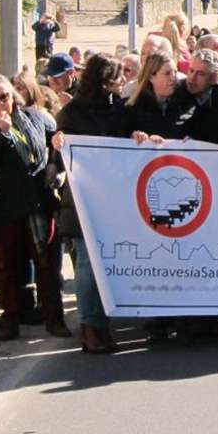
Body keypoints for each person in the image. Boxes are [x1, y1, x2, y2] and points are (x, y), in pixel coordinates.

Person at [0, 74, 70, 341]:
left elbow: (56, 144)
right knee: (9, 268)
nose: (0, 104)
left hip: (39, 202)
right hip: (8, 206)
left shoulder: (35, 117)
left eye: (4, 97)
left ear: (12, 96)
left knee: (47, 265)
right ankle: (10, 321)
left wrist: (57, 155)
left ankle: (54, 319)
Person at [54, 54, 127, 353]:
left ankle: (101, 324)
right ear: (105, 81)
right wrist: (57, 144)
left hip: (112, 200)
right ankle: (89, 326)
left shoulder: (121, 111)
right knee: (86, 265)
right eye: (118, 77)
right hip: (82, 200)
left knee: (105, 266)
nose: (123, 82)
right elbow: (58, 156)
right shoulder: (72, 114)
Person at [126, 53, 198, 140]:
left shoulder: (188, 102)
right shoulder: (133, 108)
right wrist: (136, 136)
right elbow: (120, 134)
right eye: (167, 73)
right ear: (151, 77)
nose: (173, 78)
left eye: (175, 72)